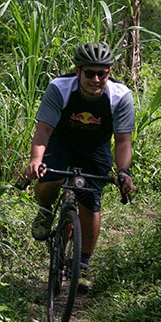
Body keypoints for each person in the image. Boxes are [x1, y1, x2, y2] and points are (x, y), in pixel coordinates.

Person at [21, 42, 136, 293]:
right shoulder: (59, 88)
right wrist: (36, 161)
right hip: (61, 140)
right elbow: (44, 130)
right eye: (89, 73)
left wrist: (124, 172)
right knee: (49, 179)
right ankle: (45, 210)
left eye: (102, 73)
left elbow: (123, 140)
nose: (96, 79)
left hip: (95, 146)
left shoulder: (120, 96)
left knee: (90, 201)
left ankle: (83, 265)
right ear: (77, 71)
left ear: (110, 71)